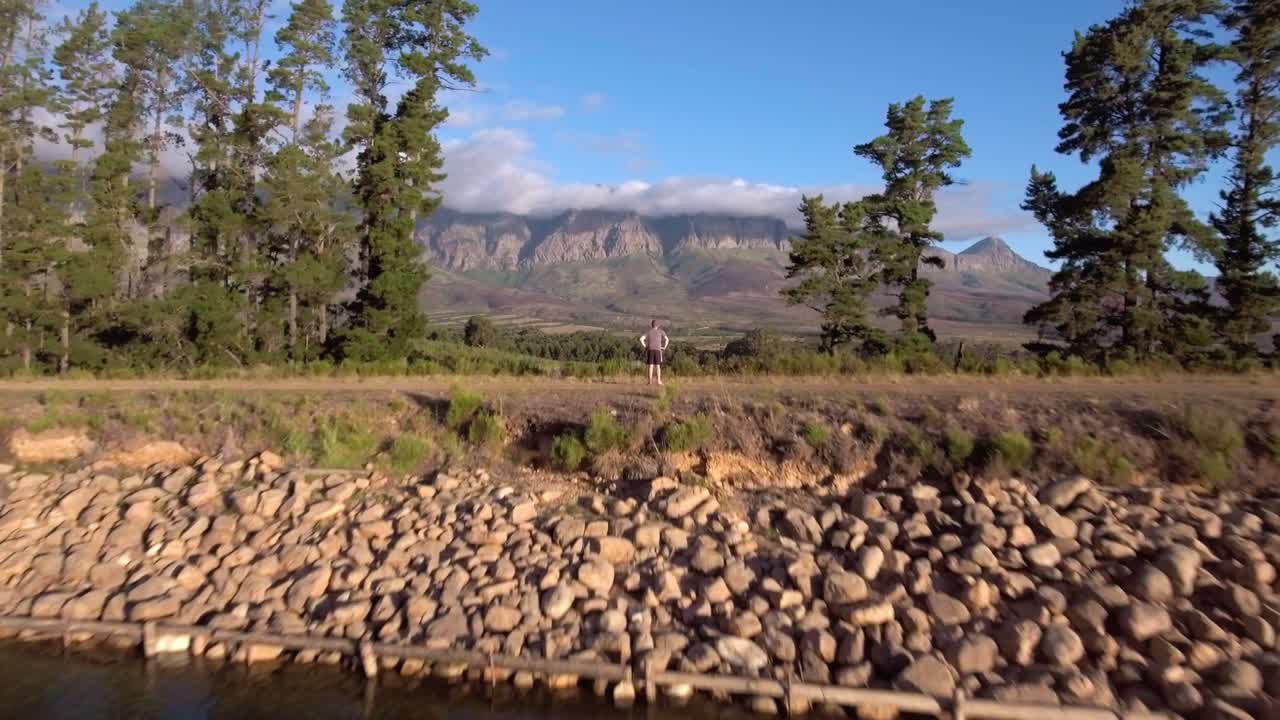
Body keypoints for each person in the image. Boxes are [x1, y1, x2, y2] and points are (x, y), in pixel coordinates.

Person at [639, 319, 670, 386]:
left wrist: (645, 347)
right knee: (658, 367)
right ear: (658, 325)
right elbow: (667, 339)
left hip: (650, 350)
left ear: (652, 325)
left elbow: (641, 339)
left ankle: (650, 382)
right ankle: (659, 381)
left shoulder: (649, 332)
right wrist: (664, 347)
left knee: (651, 366)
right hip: (658, 350)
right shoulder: (661, 331)